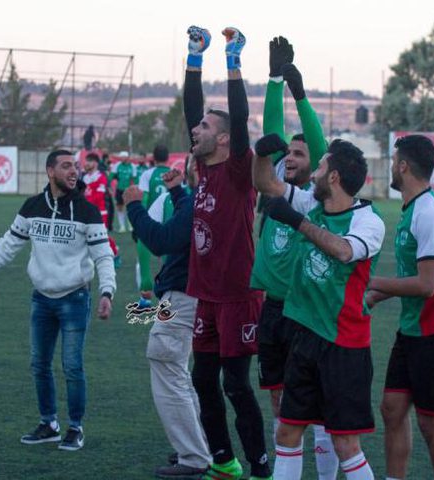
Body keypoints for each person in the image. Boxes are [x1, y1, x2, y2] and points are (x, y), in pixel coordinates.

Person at [0, 149, 116, 452]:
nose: (73, 172)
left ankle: (75, 427)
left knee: (72, 366)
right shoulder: (32, 207)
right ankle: (49, 424)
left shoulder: (87, 211)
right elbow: (6, 246)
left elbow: (103, 256)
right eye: (66, 166)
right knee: (39, 364)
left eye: (76, 167)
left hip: (74, 299)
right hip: (41, 299)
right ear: (50, 171)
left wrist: (107, 292)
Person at [253, 134, 385, 480]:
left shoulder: (368, 221)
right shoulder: (311, 203)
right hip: (304, 336)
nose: (313, 174)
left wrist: (298, 222)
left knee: (345, 444)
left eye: (321, 167)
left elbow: (343, 251)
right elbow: (265, 182)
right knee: (288, 432)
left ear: (335, 177)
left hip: (344, 346)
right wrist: (261, 155)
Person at [182, 26, 271, 480]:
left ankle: (259, 466)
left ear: (224, 139)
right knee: (202, 381)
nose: (195, 129)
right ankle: (224, 461)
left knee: (236, 385)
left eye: (204, 128)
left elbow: (238, 118)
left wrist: (233, 61)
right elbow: (190, 108)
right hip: (206, 296)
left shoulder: (238, 169)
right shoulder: (202, 164)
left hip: (239, 296)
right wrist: (194, 58)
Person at [251, 35, 338, 479]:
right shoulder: (274, 187)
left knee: (314, 404)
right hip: (271, 309)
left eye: (299, 153)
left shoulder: (310, 201)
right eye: (289, 152)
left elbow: (321, 147)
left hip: (306, 313)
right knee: (279, 401)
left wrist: (299, 93)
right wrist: (271, 81)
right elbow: (269, 140)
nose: (291, 156)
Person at [366, 135, 434, 480]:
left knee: (431, 421)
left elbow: (426, 285)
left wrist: (370, 283)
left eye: (395, 160)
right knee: (392, 409)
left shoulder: (428, 213)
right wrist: (371, 298)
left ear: (404, 166)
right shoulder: (413, 208)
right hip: (414, 328)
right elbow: (410, 277)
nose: (392, 166)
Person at [123, 158, 211, 479]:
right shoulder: (208, 194)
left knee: (168, 365)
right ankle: (200, 446)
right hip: (195, 293)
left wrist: (134, 207)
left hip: (183, 294)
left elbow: (163, 240)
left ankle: (194, 455)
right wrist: (177, 193)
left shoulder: (204, 194)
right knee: (180, 373)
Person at [136, 144, 172, 308]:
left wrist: (140, 220)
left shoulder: (148, 174)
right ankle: (167, 297)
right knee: (166, 260)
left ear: (154, 158)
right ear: (168, 157)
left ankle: (145, 299)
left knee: (142, 259)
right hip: (170, 218)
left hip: (152, 219)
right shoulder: (174, 173)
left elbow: (144, 198)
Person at [82, 152, 119, 264]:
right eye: (86, 161)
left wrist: (85, 203)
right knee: (85, 236)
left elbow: (98, 196)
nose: (86, 164)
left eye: (89, 161)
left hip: (100, 213)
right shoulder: (85, 177)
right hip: (87, 212)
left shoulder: (101, 177)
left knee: (102, 236)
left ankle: (115, 253)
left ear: (95, 163)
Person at [111, 152, 136, 233]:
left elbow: (133, 179)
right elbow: (111, 176)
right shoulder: (117, 165)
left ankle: (130, 225)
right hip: (119, 189)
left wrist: (133, 189)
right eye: (121, 157)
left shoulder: (132, 166)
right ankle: (122, 226)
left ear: (127, 157)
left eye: (123, 157)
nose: (121, 159)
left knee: (129, 207)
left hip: (129, 190)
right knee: (120, 207)